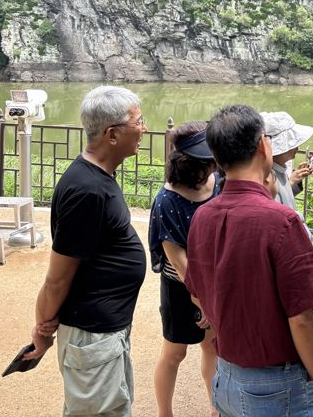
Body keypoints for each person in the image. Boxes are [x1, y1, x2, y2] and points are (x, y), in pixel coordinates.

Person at [185, 105, 313, 417]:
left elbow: (196, 293)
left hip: (225, 376)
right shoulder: (281, 221)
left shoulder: (202, 216)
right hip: (277, 383)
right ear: (264, 145)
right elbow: (302, 317)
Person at [24, 86, 148, 417]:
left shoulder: (99, 176)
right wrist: (42, 329)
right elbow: (57, 279)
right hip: (93, 337)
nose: (144, 128)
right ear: (112, 134)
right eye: (138, 121)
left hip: (104, 334)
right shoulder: (87, 191)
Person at [148, 121, 220, 417]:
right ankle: (165, 413)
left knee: (212, 346)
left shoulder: (218, 181)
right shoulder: (166, 200)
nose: (214, 164)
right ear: (190, 163)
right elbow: (179, 263)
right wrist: (202, 302)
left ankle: (216, 407)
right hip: (181, 286)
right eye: (208, 160)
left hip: (212, 283)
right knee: (174, 352)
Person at [259, 111, 313, 211]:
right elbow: (278, 210)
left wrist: (293, 180)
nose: (297, 148)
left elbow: (284, 200)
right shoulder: (267, 176)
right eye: (292, 144)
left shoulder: (279, 168)